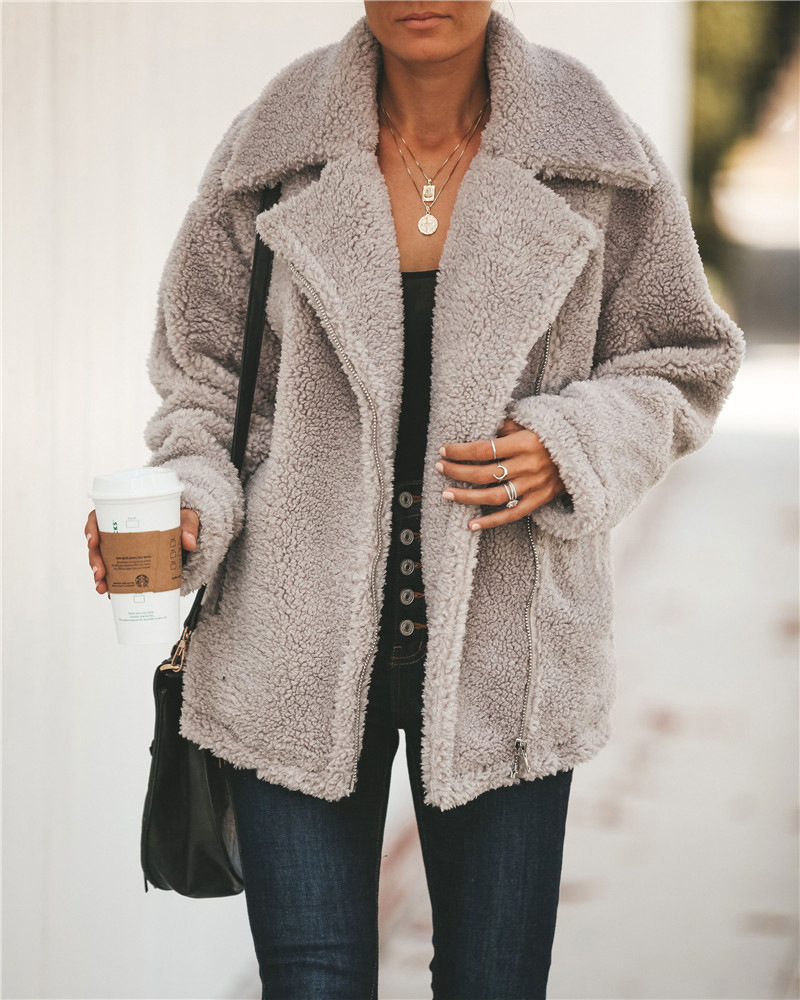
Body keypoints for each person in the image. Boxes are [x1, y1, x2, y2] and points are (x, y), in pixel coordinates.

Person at [85, 2, 745, 996]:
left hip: (510, 661)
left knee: (493, 982)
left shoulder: (597, 154)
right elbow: (208, 388)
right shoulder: (270, 154)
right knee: (310, 983)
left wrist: (570, 444)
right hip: (291, 653)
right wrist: (189, 507)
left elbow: (682, 357)